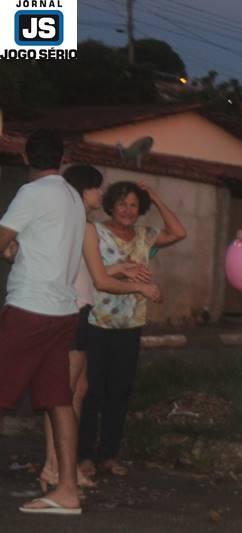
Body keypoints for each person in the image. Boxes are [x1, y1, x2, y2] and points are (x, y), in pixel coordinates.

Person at [33, 166, 162, 491]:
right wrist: (140, 286)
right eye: (96, 189)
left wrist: (121, 268)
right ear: (83, 190)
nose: (100, 194)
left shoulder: (77, 223)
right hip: (74, 311)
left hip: (78, 309)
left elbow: (93, 271)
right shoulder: (84, 226)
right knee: (65, 392)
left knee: (76, 390)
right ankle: (57, 466)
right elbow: (101, 279)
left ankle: (64, 466)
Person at [0, 129, 85, 514]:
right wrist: (16, 252)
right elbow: (37, 247)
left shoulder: (32, 193)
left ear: (25, 157)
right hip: (62, 311)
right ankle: (67, 490)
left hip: (30, 309)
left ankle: (66, 490)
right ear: (62, 158)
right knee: (58, 399)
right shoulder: (73, 197)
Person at [78, 180, 185, 478]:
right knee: (92, 391)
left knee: (120, 392)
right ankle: (84, 456)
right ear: (111, 205)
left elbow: (179, 232)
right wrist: (138, 284)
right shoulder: (94, 231)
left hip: (130, 324)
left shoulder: (145, 235)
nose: (127, 210)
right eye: (122, 204)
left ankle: (108, 455)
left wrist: (155, 197)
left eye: (134, 205)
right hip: (96, 321)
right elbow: (94, 274)